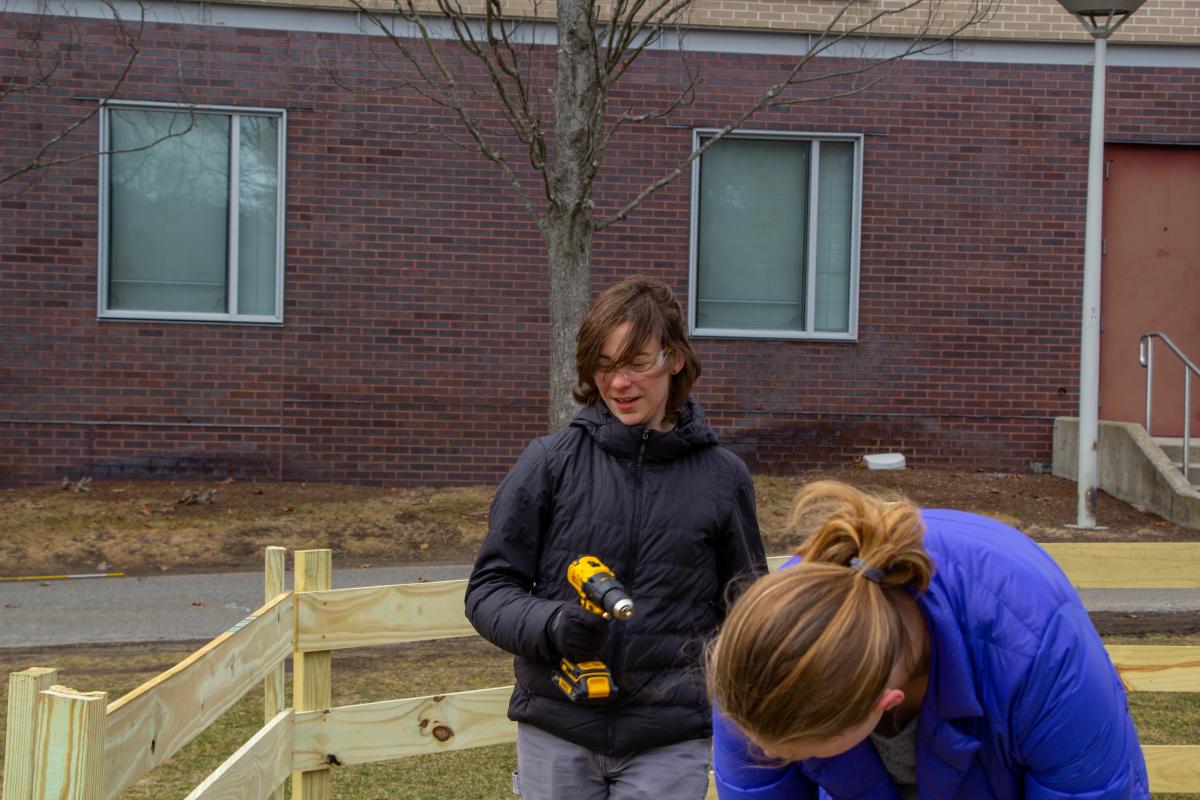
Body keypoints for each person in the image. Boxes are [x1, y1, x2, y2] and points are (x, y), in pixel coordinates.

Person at [465, 275, 767, 800]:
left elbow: (750, 611)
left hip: (669, 738)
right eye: (604, 366)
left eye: (635, 362)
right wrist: (552, 622)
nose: (618, 383)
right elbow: (488, 590)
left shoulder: (724, 477)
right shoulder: (549, 464)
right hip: (557, 728)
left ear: (674, 359)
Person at [707, 480, 1149, 800]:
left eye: (792, 753)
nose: (763, 751)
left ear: (885, 703)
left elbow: (1088, 791)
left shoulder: (1040, 651)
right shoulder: (754, 669)